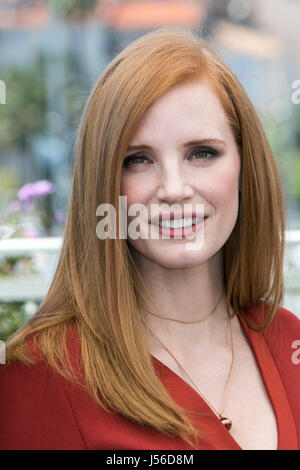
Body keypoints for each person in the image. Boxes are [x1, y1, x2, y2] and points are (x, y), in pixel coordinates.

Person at [0, 27, 299, 451]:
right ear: (103, 183)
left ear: (245, 166)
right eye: (138, 159)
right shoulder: (43, 371)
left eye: (202, 153)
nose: (174, 188)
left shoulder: (289, 341)